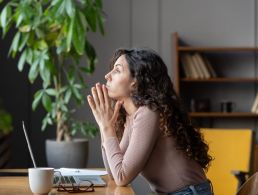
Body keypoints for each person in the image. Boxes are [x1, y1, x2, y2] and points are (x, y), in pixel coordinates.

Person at [87, 48, 213, 195]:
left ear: (135, 81)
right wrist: (105, 126)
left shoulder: (148, 113)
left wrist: (107, 128)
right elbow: (114, 172)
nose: (107, 76)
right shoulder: (132, 116)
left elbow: (122, 177)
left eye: (117, 70)